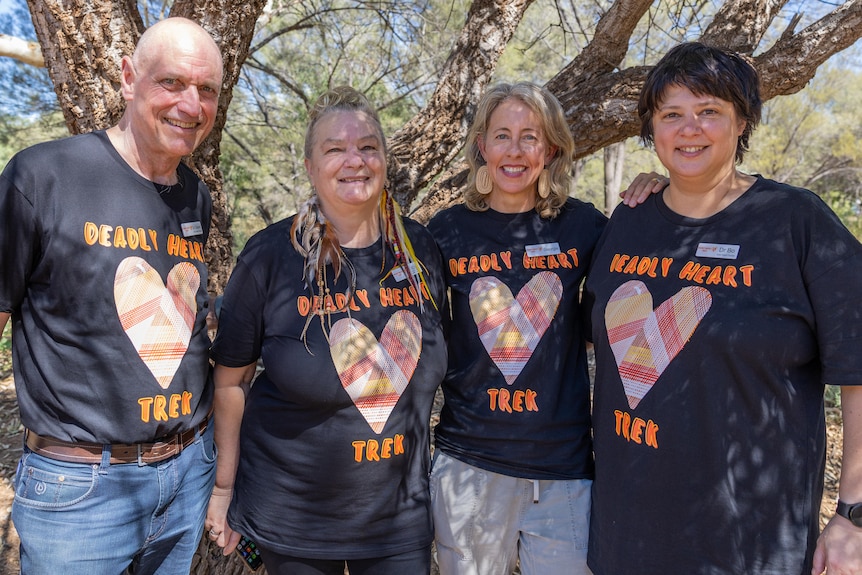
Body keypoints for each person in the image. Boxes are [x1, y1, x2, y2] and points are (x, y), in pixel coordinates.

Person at [583, 42, 862, 575]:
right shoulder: (628, 222)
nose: (690, 129)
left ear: (742, 123)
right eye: (672, 115)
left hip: (748, 542)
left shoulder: (794, 222)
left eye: (709, 111)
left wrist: (852, 516)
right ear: (651, 131)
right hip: (627, 536)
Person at [0, 17, 224, 575]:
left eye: (207, 90)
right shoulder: (43, 176)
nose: (190, 105)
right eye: (171, 83)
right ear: (128, 78)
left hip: (187, 474)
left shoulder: (196, 197)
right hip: (79, 489)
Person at [205, 86, 448, 575]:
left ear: (384, 160)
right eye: (335, 149)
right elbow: (231, 382)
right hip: (294, 520)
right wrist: (223, 489)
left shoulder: (420, 249)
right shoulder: (270, 255)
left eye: (368, 147)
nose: (354, 160)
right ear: (311, 167)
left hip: (399, 520)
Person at [427, 81, 662, 575]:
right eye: (502, 136)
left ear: (551, 148)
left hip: (565, 468)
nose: (515, 151)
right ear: (481, 147)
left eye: (530, 137)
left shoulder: (585, 226)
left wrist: (658, 186)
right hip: (471, 463)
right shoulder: (445, 232)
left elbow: (631, 290)